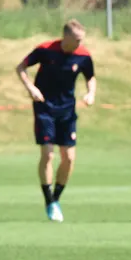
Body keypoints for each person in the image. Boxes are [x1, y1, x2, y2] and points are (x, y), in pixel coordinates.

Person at [15, 19, 97, 222]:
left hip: (67, 111)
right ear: (65, 37)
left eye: (82, 40)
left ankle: (55, 199)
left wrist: (91, 93)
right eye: (77, 40)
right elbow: (21, 67)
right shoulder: (46, 50)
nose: (80, 43)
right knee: (48, 154)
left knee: (69, 158)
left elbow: (90, 77)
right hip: (44, 108)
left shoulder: (84, 55)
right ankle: (49, 200)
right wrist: (31, 88)